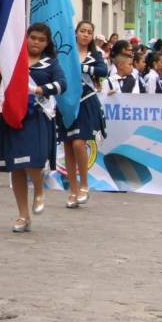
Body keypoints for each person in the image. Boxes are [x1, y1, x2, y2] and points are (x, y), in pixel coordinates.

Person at [0, 22, 65, 234]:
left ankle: (40, 190)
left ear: (47, 43)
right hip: (14, 115)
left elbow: (62, 84)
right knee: (16, 165)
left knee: (33, 160)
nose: (36, 42)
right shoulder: (14, 59)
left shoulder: (50, 64)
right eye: (33, 37)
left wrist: (40, 89)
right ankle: (23, 215)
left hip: (37, 116)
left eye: (41, 40)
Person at [59, 20, 107, 209]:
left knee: (79, 142)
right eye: (82, 31)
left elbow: (103, 71)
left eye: (89, 32)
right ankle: (73, 190)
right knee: (68, 146)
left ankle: (84, 185)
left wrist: (82, 68)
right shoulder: (66, 52)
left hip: (86, 101)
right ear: (76, 33)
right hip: (67, 102)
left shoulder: (95, 54)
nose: (86, 34)